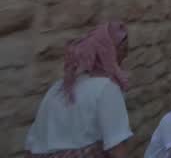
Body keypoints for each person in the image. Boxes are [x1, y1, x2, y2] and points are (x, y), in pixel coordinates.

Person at [25, 21, 133, 158]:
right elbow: (118, 149)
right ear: (109, 53)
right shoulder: (106, 88)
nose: (125, 57)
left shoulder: (57, 88)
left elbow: (31, 143)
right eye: (122, 50)